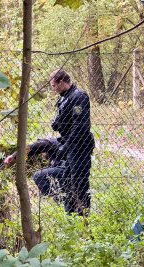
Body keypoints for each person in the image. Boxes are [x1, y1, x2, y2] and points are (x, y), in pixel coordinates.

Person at [50, 69, 95, 216]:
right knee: (67, 179)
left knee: (79, 181)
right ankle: (71, 213)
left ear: (62, 82)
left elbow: (80, 126)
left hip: (80, 147)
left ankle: (83, 215)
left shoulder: (78, 97)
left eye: (54, 86)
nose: (54, 89)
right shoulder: (65, 98)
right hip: (70, 147)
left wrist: (67, 146)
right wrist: (56, 123)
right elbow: (65, 120)